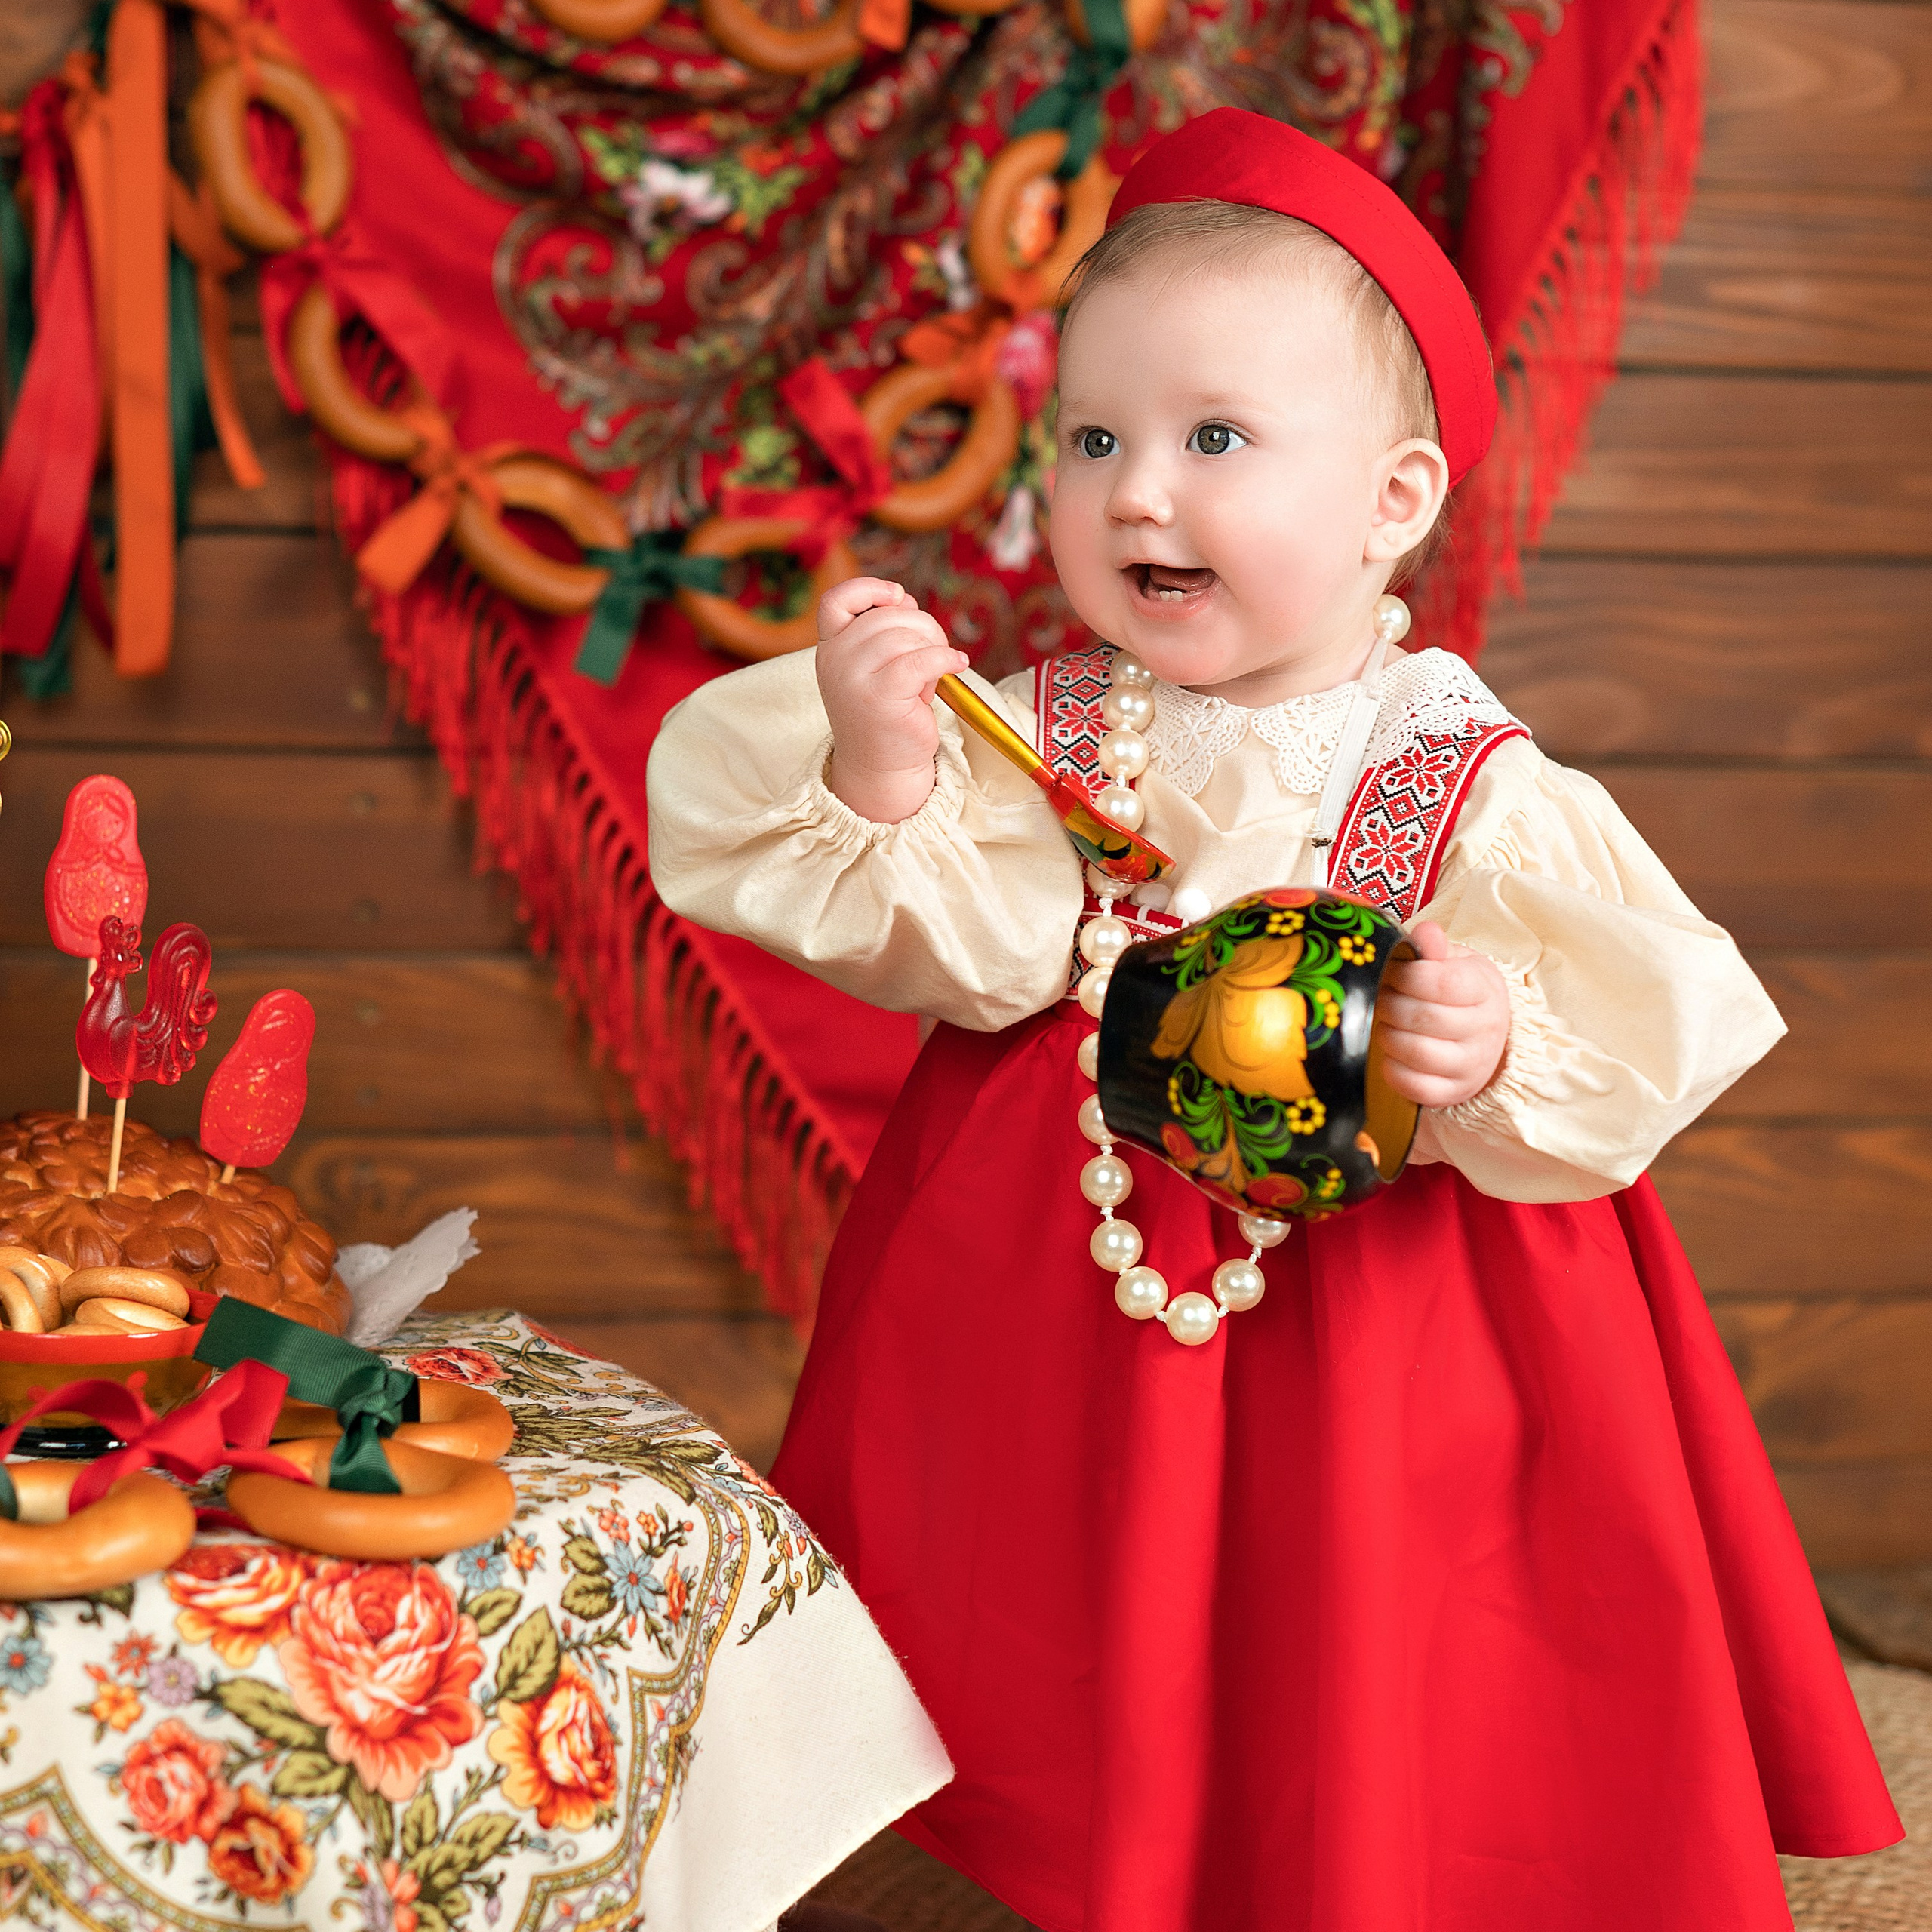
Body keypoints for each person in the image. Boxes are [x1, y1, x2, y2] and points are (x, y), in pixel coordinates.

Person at [647, 109, 1900, 1932]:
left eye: (1213, 437)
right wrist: (881, 758)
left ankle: (1363, 1841)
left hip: (1390, 1296)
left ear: (1393, 498)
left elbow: (1613, 1020)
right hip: (1059, 1277)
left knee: (1373, 1594)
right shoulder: (1046, 723)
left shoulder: (1449, 765)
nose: (1136, 492)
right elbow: (975, 947)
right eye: (1091, 439)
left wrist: (1483, 1033)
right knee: (1071, 1585)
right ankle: (1103, 1834)